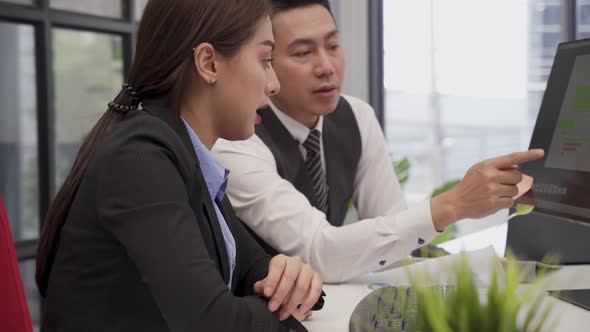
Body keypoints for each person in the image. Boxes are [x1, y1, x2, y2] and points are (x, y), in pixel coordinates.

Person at [35, 0, 323, 330]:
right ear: (208, 63)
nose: (273, 85)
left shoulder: (185, 156)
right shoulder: (140, 157)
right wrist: (278, 308)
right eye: (265, 60)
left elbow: (249, 270)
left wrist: (290, 277)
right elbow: (212, 322)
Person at [212, 0, 544, 283]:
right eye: (302, 53)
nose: (327, 67)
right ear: (266, 62)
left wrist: (475, 270)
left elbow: (393, 234)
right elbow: (320, 250)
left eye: (333, 46)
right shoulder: (236, 140)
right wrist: (455, 203)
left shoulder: (356, 116)